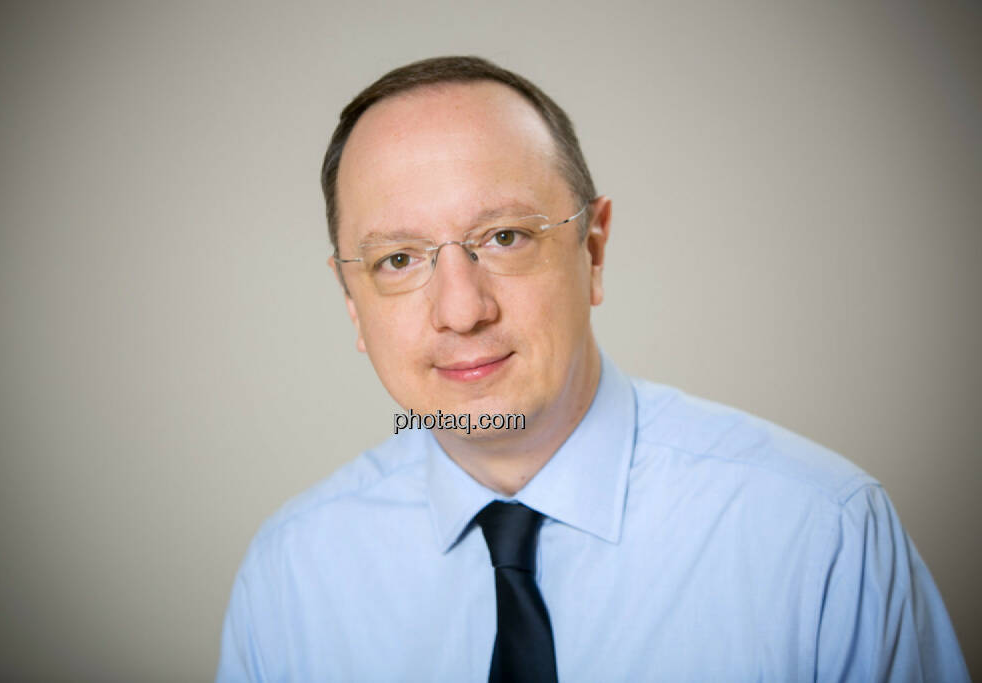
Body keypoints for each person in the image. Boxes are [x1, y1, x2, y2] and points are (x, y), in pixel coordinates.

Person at [217, 56, 969, 682]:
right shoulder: (291, 579)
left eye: (505, 235)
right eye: (398, 259)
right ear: (352, 300)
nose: (461, 309)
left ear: (595, 250)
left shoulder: (821, 537)